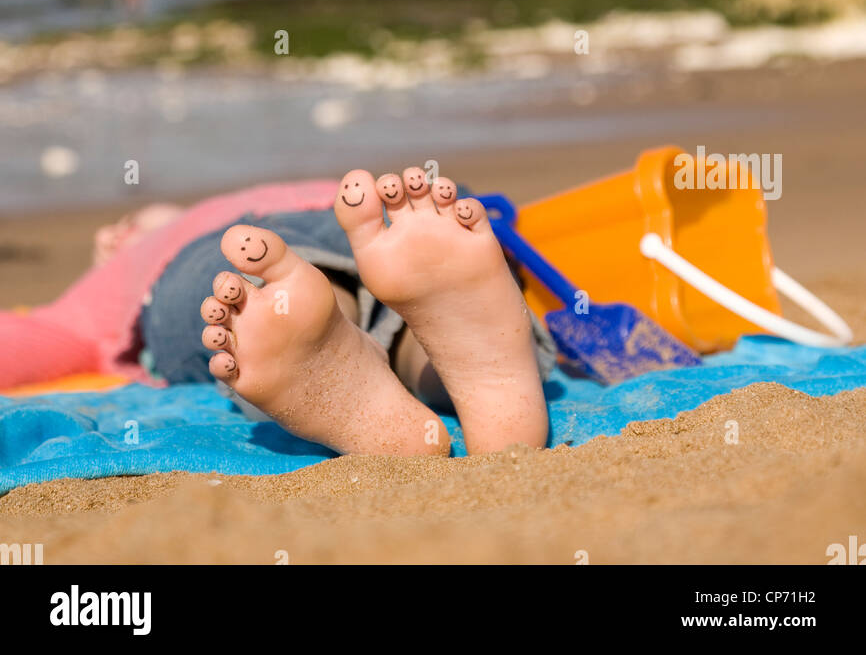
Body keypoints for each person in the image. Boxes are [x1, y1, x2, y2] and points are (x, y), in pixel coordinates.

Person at [1, 167, 552, 457]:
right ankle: (470, 374)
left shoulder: (139, 263)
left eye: (128, 224)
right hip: (379, 223)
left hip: (219, 256)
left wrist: (125, 251)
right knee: (401, 319)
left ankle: (343, 344)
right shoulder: (114, 278)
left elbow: (30, 336)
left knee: (258, 295)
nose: (117, 234)